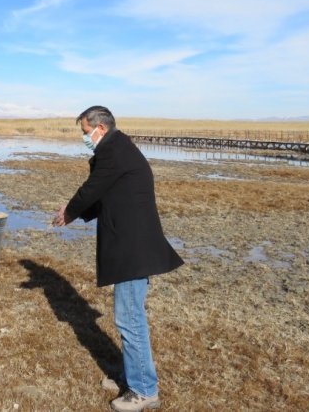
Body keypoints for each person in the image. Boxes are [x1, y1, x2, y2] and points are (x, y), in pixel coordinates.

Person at [53, 106, 184, 412]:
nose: (85, 138)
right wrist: (76, 213)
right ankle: (133, 375)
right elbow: (103, 197)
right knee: (130, 315)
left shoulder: (113, 151)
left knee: (130, 318)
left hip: (132, 248)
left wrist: (69, 212)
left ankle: (143, 390)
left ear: (100, 127)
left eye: (86, 132)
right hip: (132, 245)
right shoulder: (118, 148)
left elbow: (92, 189)